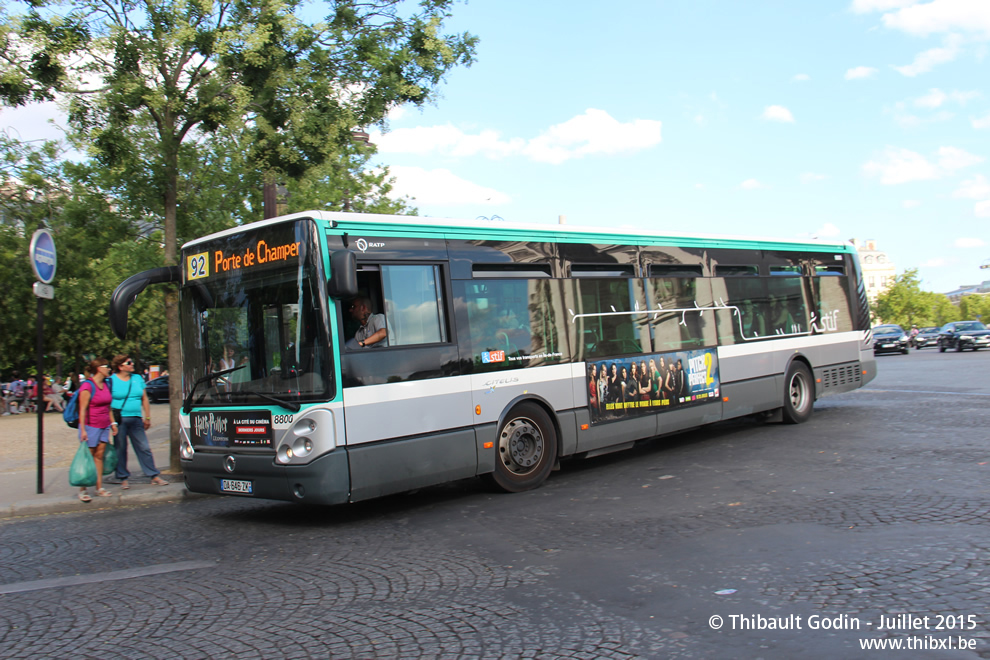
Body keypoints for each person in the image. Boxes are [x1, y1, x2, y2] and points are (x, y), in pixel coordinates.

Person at [110, 354, 168, 489]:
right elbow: (108, 402)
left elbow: (144, 399)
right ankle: (123, 477)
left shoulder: (137, 378)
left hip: (136, 418)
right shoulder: (112, 380)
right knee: (120, 448)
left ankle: (153, 475)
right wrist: (112, 422)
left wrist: (147, 417)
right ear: (120, 366)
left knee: (144, 447)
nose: (132, 364)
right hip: (120, 418)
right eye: (128, 362)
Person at [76, 358, 118, 501]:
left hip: (104, 425)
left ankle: (99, 487)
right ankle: (83, 489)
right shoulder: (87, 386)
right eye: (106, 367)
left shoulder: (106, 384)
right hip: (91, 425)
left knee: (99, 456)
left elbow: (108, 406)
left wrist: (113, 423)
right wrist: (82, 430)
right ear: (99, 368)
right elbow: (82, 409)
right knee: (88, 457)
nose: (109, 370)